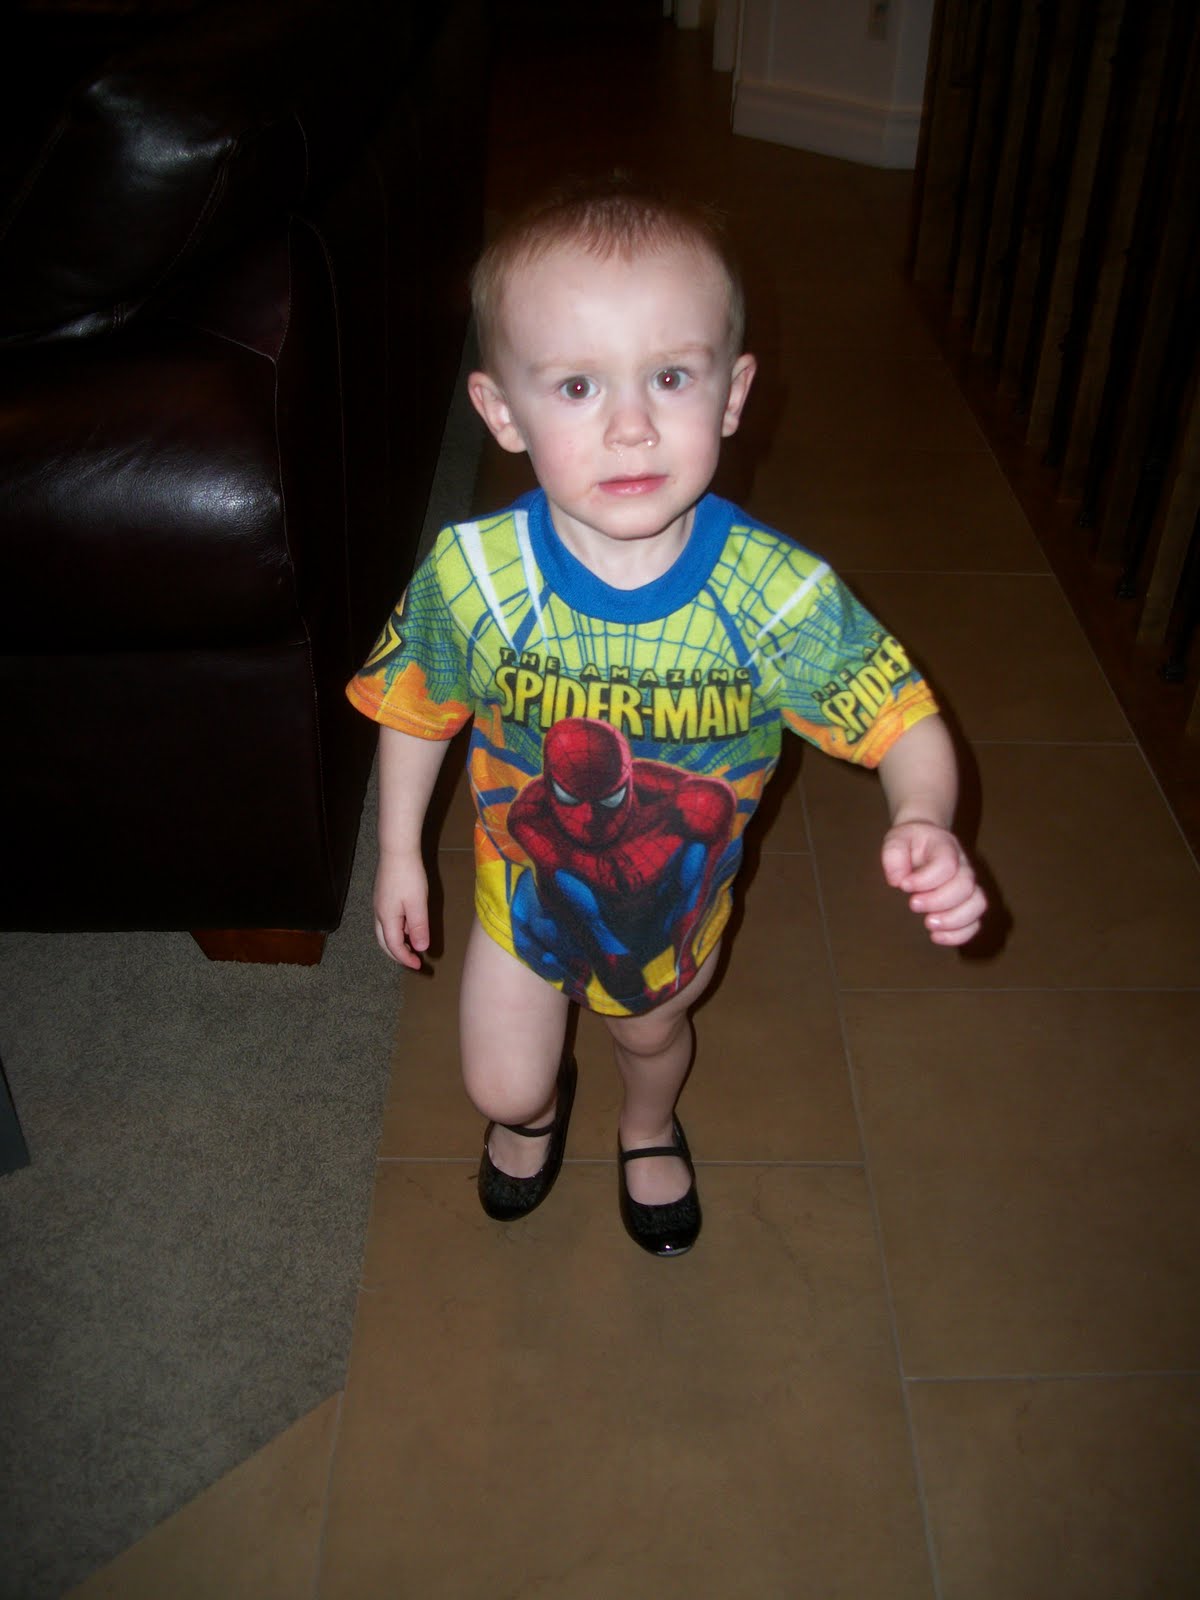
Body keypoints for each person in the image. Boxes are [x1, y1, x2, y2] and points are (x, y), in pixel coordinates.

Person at [346, 180, 986, 1258]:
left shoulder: (775, 597)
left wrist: (923, 814)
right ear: (501, 413)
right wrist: (400, 851)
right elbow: (418, 705)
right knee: (502, 1083)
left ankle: (647, 1124)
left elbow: (899, 715)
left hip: (671, 919)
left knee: (651, 1039)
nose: (632, 424)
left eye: (672, 377)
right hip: (523, 899)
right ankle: (536, 1115)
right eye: (578, 385)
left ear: (733, 395)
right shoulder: (476, 577)